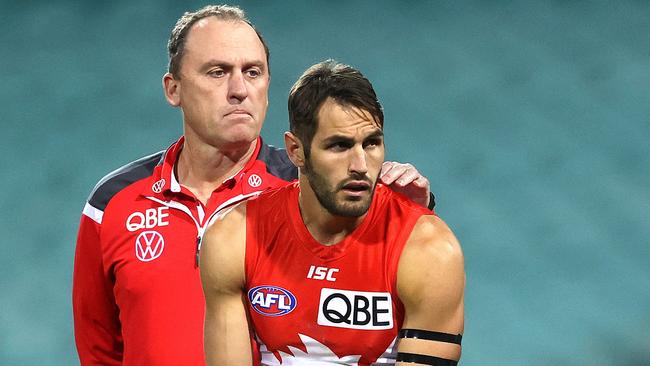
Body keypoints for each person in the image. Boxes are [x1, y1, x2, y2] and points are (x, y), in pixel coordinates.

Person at [72, 5, 435, 366]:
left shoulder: (312, 189)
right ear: (174, 89)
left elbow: (386, 305)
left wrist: (403, 215)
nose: (239, 90)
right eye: (217, 72)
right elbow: (99, 350)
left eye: (253, 72)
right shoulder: (113, 202)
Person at [200, 60, 465, 365]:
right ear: (296, 150)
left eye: (372, 143)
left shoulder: (429, 251)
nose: (360, 165)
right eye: (339, 146)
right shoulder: (235, 237)